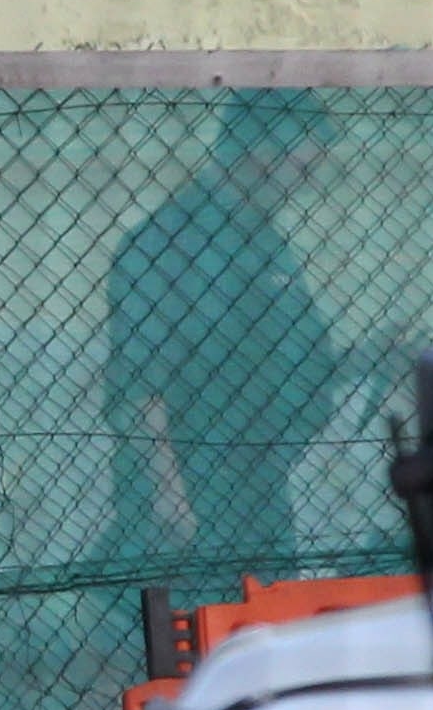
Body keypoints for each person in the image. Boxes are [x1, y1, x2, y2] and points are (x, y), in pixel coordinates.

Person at [104, 86, 340, 569]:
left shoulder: (266, 240)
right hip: (194, 506)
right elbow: (139, 388)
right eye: (303, 169)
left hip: (262, 493)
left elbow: (299, 355)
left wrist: (370, 358)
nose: (306, 186)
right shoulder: (163, 244)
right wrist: (170, 500)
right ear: (261, 156)